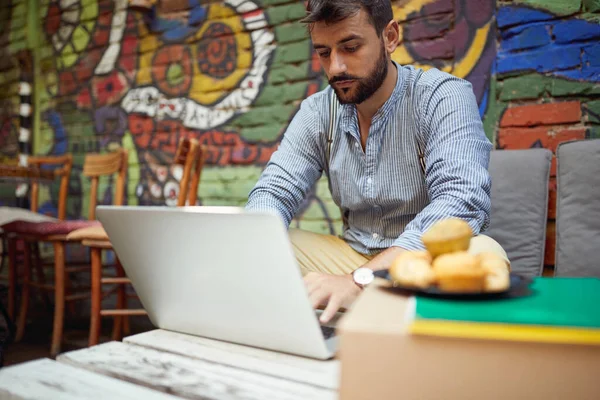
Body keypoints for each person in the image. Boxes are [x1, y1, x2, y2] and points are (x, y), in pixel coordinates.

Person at [245, 0, 508, 323]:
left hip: (421, 263)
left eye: (351, 47)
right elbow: (274, 190)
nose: (336, 67)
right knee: (266, 240)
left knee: (484, 252)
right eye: (324, 53)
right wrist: (254, 241)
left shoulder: (441, 96)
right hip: (349, 260)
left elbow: (461, 201)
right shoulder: (317, 112)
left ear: (390, 37)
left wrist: (360, 281)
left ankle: (371, 312)